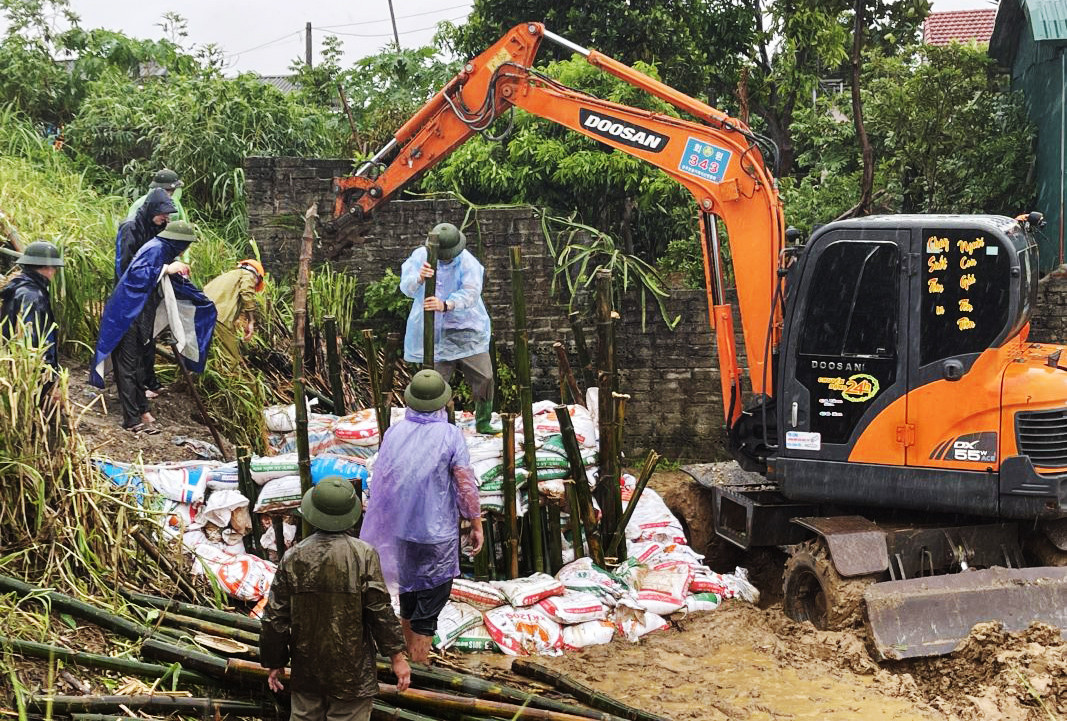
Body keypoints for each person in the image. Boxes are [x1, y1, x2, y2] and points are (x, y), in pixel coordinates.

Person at [261, 477, 411, 721]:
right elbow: (379, 610)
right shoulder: (363, 554)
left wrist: (274, 661)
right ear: (350, 514)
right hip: (353, 671)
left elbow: (275, 616)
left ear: (312, 513)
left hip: (307, 669)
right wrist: (397, 658)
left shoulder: (293, 557)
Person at [360, 369, 483, 663]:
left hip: (401, 531)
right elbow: (465, 483)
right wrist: (475, 522)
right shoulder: (450, 435)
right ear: (443, 402)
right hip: (435, 535)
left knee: (409, 597)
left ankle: (401, 664)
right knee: (428, 607)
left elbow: (385, 479)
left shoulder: (395, 432)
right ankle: (415, 669)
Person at [91, 221, 217, 434]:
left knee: (139, 366)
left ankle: (142, 410)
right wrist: (167, 269)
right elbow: (138, 274)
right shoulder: (155, 249)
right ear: (178, 242)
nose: (186, 250)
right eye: (186, 245)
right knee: (128, 367)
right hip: (126, 316)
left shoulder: (162, 251)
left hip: (141, 317)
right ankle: (131, 420)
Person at [399, 222, 497, 434]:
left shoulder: (467, 261)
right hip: (432, 330)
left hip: (466, 328)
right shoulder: (420, 257)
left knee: (485, 375)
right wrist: (419, 278)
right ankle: (434, 425)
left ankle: (483, 420)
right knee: (434, 381)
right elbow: (406, 287)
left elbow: (472, 291)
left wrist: (446, 305)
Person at [116, 186, 178, 398]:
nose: (166, 219)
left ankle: (149, 381)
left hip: (150, 290)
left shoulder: (156, 227)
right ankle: (138, 387)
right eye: (163, 215)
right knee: (135, 342)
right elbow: (126, 265)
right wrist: (162, 270)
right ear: (153, 211)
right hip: (131, 293)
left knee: (148, 338)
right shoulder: (130, 228)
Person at [0, 241, 64, 397]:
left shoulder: (19, 287)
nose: (54, 272)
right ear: (47, 268)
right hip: (30, 374)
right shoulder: (32, 296)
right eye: (54, 267)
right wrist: (48, 374)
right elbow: (33, 340)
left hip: (16, 367)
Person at [203, 259, 265, 364]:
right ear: (257, 276)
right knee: (232, 360)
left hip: (203, 315)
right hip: (218, 318)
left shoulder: (226, 277)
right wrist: (251, 322)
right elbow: (246, 292)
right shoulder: (248, 275)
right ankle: (235, 376)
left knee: (208, 356)